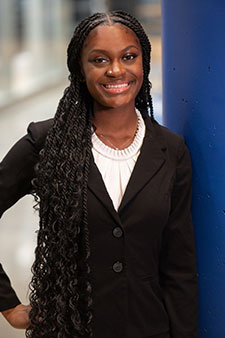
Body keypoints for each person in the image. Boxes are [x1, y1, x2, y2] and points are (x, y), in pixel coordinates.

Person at [0, 10, 198, 338]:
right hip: (67, 329)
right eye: (99, 60)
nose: (116, 70)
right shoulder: (46, 142)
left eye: (129, 57)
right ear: (80, 68)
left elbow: (179, 268)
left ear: (144, 63)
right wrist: (7, 303)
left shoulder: (171, 150)